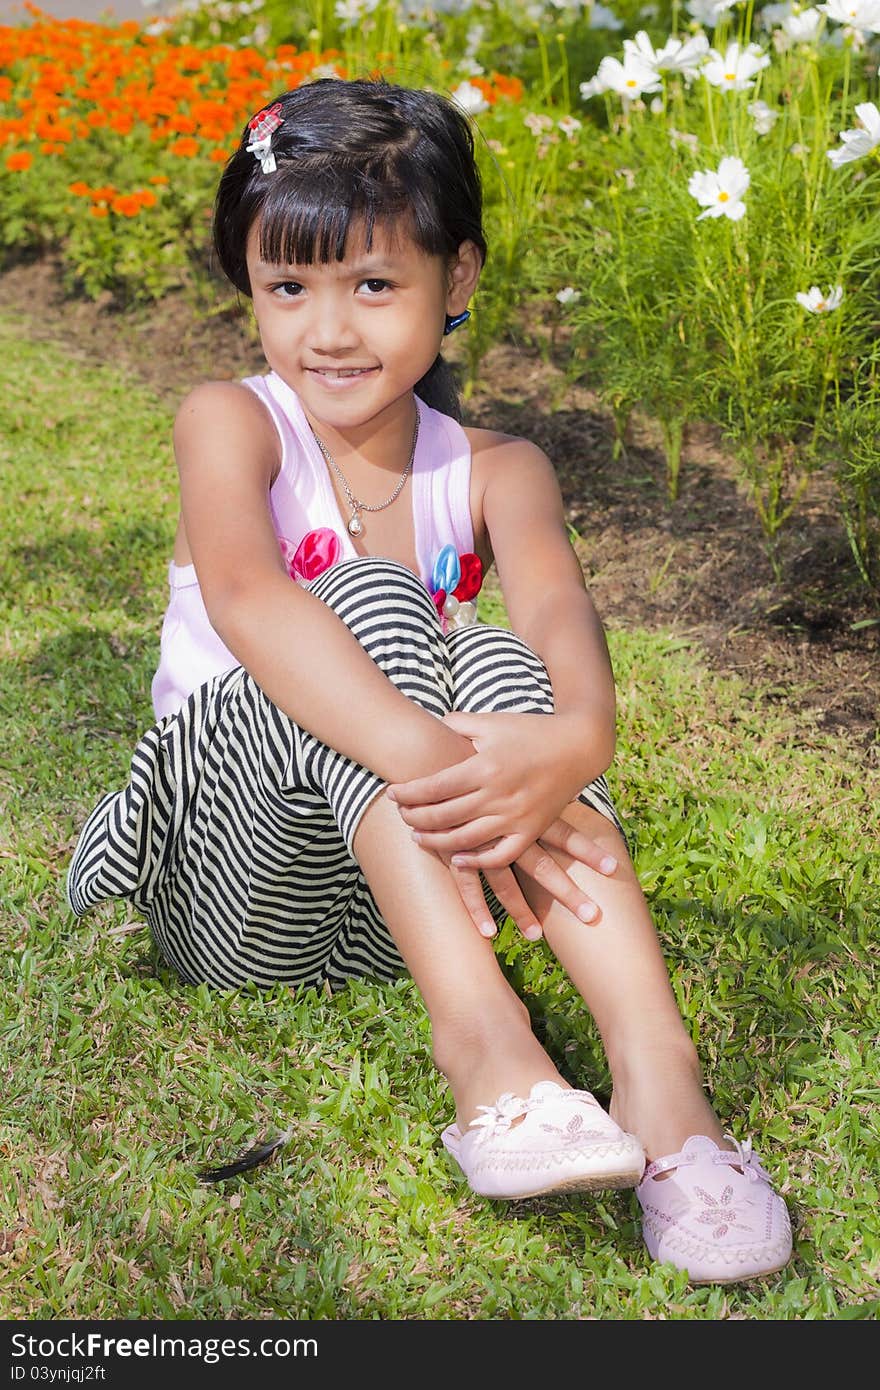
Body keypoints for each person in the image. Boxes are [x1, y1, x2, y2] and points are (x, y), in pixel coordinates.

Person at [66, 78, 792, 1285]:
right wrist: (443, 756)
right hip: (233, 882)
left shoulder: (499, 467)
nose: (328, 330)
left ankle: (668, 1099)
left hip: (410, 896)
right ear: (247, 282)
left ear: (456, 281)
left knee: (502, 662)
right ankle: (491, 1058)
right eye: (288, 286)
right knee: (367, 605)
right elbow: (251, 602)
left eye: (373, 284)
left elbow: (559, 618)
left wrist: (573, 743)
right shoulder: (229, 422)